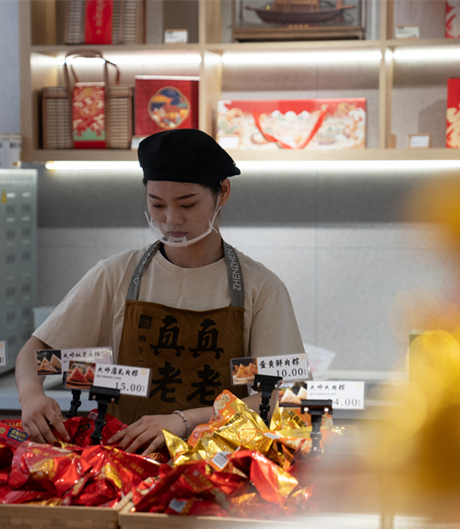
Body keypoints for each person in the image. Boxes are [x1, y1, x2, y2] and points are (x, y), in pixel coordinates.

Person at [15, 129, 305, 454]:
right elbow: (38, 354)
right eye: (157, 204)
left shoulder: (261, 287)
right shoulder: (116, 275)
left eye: (187, 204)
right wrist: (32, 394)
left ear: (223, 191)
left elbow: (283, 398)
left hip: (219, 466)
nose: (171, 220)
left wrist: (187, 418)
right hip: (124, 462)